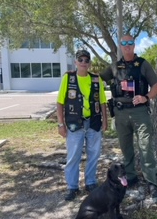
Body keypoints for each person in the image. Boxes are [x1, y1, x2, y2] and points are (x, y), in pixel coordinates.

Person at [100, 34, 157, 197]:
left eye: (130, 43)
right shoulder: (114, 66)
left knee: (145, 146)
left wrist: (146, 97)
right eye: (124, 43)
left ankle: (151, 180)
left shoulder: (142, 64)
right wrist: (78, 72)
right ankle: (131, 177)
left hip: (139, 111)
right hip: (120, 113)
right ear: (120, 46)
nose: (127, 46)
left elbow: (156, 86)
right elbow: (97, 80)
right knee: (126, 147)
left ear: (134, 45)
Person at [56, 49, 108, 201]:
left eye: (86, 60)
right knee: (73, 156)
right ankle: (72, 187)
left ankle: (90, 183)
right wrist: (60, 124)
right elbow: (60, 102)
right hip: (74, 123)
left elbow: (103, 102)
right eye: (81, 60)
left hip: (94, 122)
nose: (84, 63)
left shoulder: (96, 79)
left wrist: (105, 120)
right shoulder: (68, 78)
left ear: (90, 63)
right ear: (76, 62)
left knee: (94, 154)